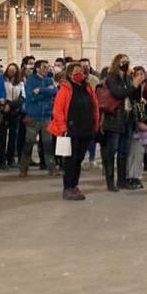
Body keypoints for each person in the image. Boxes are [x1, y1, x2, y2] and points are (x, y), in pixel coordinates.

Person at [49, 63, 100, 200]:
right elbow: (58, 110)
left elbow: (94, 106)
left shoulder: (88, 88)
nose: (79, 74)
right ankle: (68, 188)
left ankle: (74, 185)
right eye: (75, 71)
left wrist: (96, 124)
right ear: (69, 74)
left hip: (86, 129)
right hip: (71, 130)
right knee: (71, 160)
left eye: (80, 71)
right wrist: (63, 128)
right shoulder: (65, 89)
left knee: (78, 160)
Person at [98, 53, 136, 192]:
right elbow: (118, 93)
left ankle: (122, 180)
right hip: (114, 118)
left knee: (124, 151)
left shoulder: (128, 78)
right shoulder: (111, 78)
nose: (125, 63)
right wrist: (134, 86)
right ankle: (110, 181)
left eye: (127, 61)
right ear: (116, 63)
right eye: (122, 61)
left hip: (128, 117)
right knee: (111, 150)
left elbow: (135, 98)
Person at [21, 59, 58, 175]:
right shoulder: (31, 80)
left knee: (48, 144)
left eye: (47, 67)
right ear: (37, 69)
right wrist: (46, 94)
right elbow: (31, 96)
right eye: (44, 67)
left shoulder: (49, 79)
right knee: (28, 143)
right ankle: (24, 168)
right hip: (33, 116)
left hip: (46, 116)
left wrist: (41, 91)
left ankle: (51, 168)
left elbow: (55, 92)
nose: (47, 69)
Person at [125, 66, 147, 190]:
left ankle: (136, 176)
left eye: (143, 74)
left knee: (139, 152)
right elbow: (133, 107)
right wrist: (139, 122)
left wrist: (142, 121)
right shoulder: (131, 89)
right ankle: (130, 176)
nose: (141, 76)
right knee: (132, 153)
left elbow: (140, 108)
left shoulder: (141, 91)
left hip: (139, 126)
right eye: (138, 74)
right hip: (132, 125)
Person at [0, 63, 25, 170]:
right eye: (10, 69)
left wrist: (11, 105)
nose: (12, 72)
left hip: (15, 111)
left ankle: (11, 159)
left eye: (14, 70)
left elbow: (22, 97)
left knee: (13, 137)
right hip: (3, 111)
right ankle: (2, 160)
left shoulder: (20, 83)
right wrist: (3, 104)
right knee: (1, 137)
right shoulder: (2, 81)